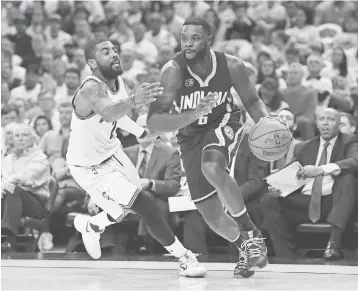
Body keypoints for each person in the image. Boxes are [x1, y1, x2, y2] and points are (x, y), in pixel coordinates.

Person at [66, 38, 206, 278]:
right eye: (105, 51)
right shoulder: (91, 88)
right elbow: (109, 112)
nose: (114, 54)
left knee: (125, 210)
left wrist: (144, 133)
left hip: (113, 153)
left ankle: (91, 225)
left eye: (114, 50)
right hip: (90, 167)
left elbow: (118, 115)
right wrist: (133, 101)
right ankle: (184, 257)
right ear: (92, 63)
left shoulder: (117, 81)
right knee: (145, 205)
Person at [147, 18, 273, 278]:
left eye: (194, 38)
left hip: (224, 120)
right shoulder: (172, 70)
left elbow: (252, 100)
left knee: (212, 167)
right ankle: (244, 249)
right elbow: (154, 121)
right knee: (210, 213)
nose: (188, 43)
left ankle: (251, 234)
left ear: (208, 39)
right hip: (189, 134)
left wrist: (270, 125)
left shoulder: (231, 65)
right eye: (184, 38)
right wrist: (193, 113)